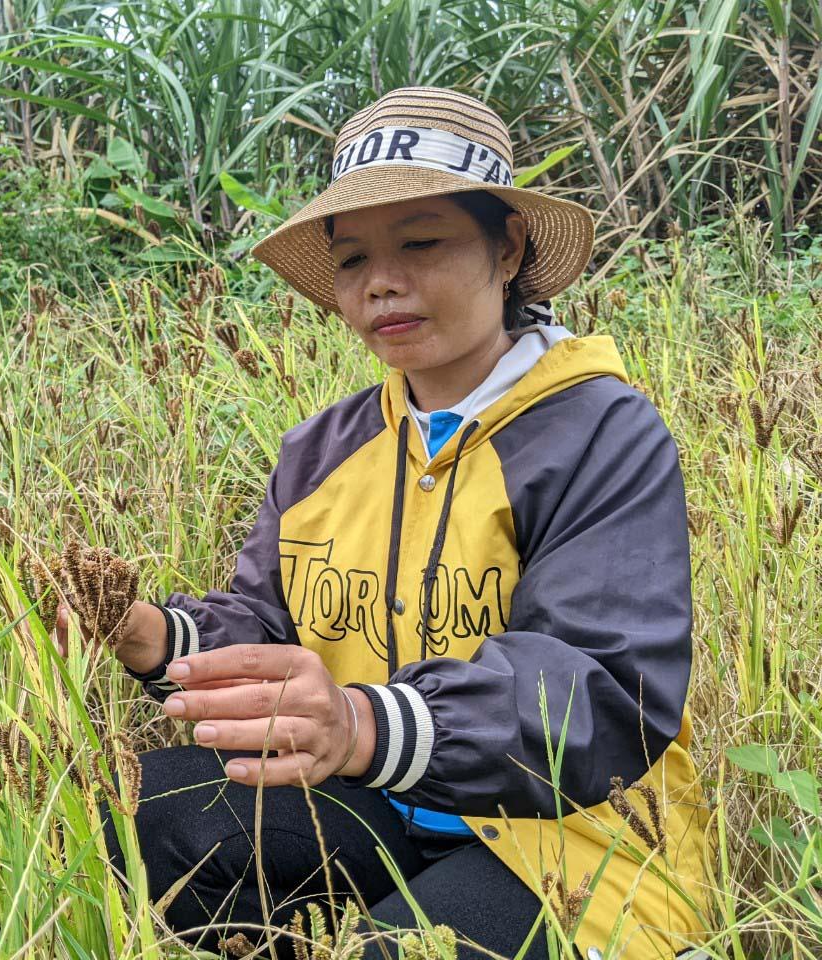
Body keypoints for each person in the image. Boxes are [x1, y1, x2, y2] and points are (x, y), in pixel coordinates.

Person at [54, 85, 712, 960]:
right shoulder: (324, 449)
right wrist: (149, 636)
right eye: (354, 259)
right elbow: (267, 625)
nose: (382, 283)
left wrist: (365, 724)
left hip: (574, 836)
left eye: (421, 241)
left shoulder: (600, 433)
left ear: (507, 246)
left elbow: (598, 688)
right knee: (145, 818)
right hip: (378, 803)